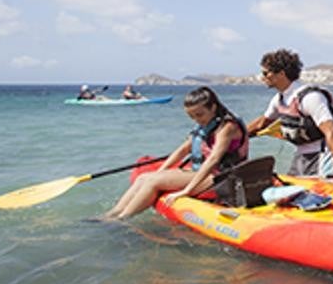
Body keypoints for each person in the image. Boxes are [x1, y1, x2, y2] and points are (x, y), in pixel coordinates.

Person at [103, 86, 247, 219]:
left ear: (213, 107)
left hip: (224, 178)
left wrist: (187, 191)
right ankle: (113, 213)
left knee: (153, 182)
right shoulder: (207, 124)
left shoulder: (227, 127)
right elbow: (183, 149)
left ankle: (123, 218)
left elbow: (214, 159)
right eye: (192, 116)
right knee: (144, 177)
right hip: (205, 173)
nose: (197, 119)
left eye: (199, 114)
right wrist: (161, 171)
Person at [246, 49, 333, 181]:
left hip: (321, 155)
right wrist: (235, 138)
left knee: (317, 196)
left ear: (281, 74)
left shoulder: (310, 98)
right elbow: (261, 124)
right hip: (301, 156)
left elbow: (332, 133)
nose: (263, 77)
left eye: (266, 73)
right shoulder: (279, 100)